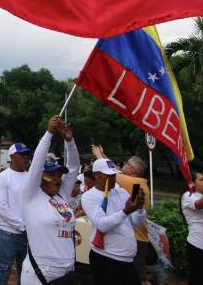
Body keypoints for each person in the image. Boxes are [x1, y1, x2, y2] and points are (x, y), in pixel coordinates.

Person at [21, 115, 79, 284]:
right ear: (40, 177)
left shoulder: (62, 196)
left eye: (59, 175)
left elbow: (74, 167)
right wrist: (49, 133)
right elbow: (37, 163)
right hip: (40, 273)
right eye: (51, 174)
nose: (57, 178)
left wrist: (70, 141)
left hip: (67, 272)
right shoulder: (31, 196)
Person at [81, 157, 146, 285]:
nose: (112, 178)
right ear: (96, 175)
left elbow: (138, 223)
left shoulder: (121, 192)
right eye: (108, 175)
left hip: (127, 259)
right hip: (106, 258)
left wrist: (139, 208)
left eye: (114, 175)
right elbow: (102, 225)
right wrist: (125, 211)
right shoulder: (89, 197)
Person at [93, 146, 152, 285]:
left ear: (132, 170)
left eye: (126, 164)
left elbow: (107, 172)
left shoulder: (133, 182)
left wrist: (99, 156)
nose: (123, 165)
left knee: (141, 279)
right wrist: (103, 154)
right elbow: (112, 169)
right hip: (138, 237)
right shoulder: (137, 183)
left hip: (136, 238)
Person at [0, 142, 31, 284]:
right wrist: (22, 225)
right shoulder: (3, 177)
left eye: (27, 154)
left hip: (28, 234)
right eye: (22, 155)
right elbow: (2, 208)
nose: (25, 158)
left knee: (26, 274)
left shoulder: (29, 177)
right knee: (2, 273)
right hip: (8, 234)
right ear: (12, 156)